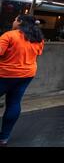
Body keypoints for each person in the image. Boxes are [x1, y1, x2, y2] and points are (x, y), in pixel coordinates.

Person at [0, 15, 44, 146]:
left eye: (15, 19)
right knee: (14, 102)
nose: (13, 21)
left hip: (5, 74)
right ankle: (4, 138)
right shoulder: (38, 38)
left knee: (13, 103)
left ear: (19, 22)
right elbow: (38, 54)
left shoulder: (9, 35)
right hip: (26, 75)